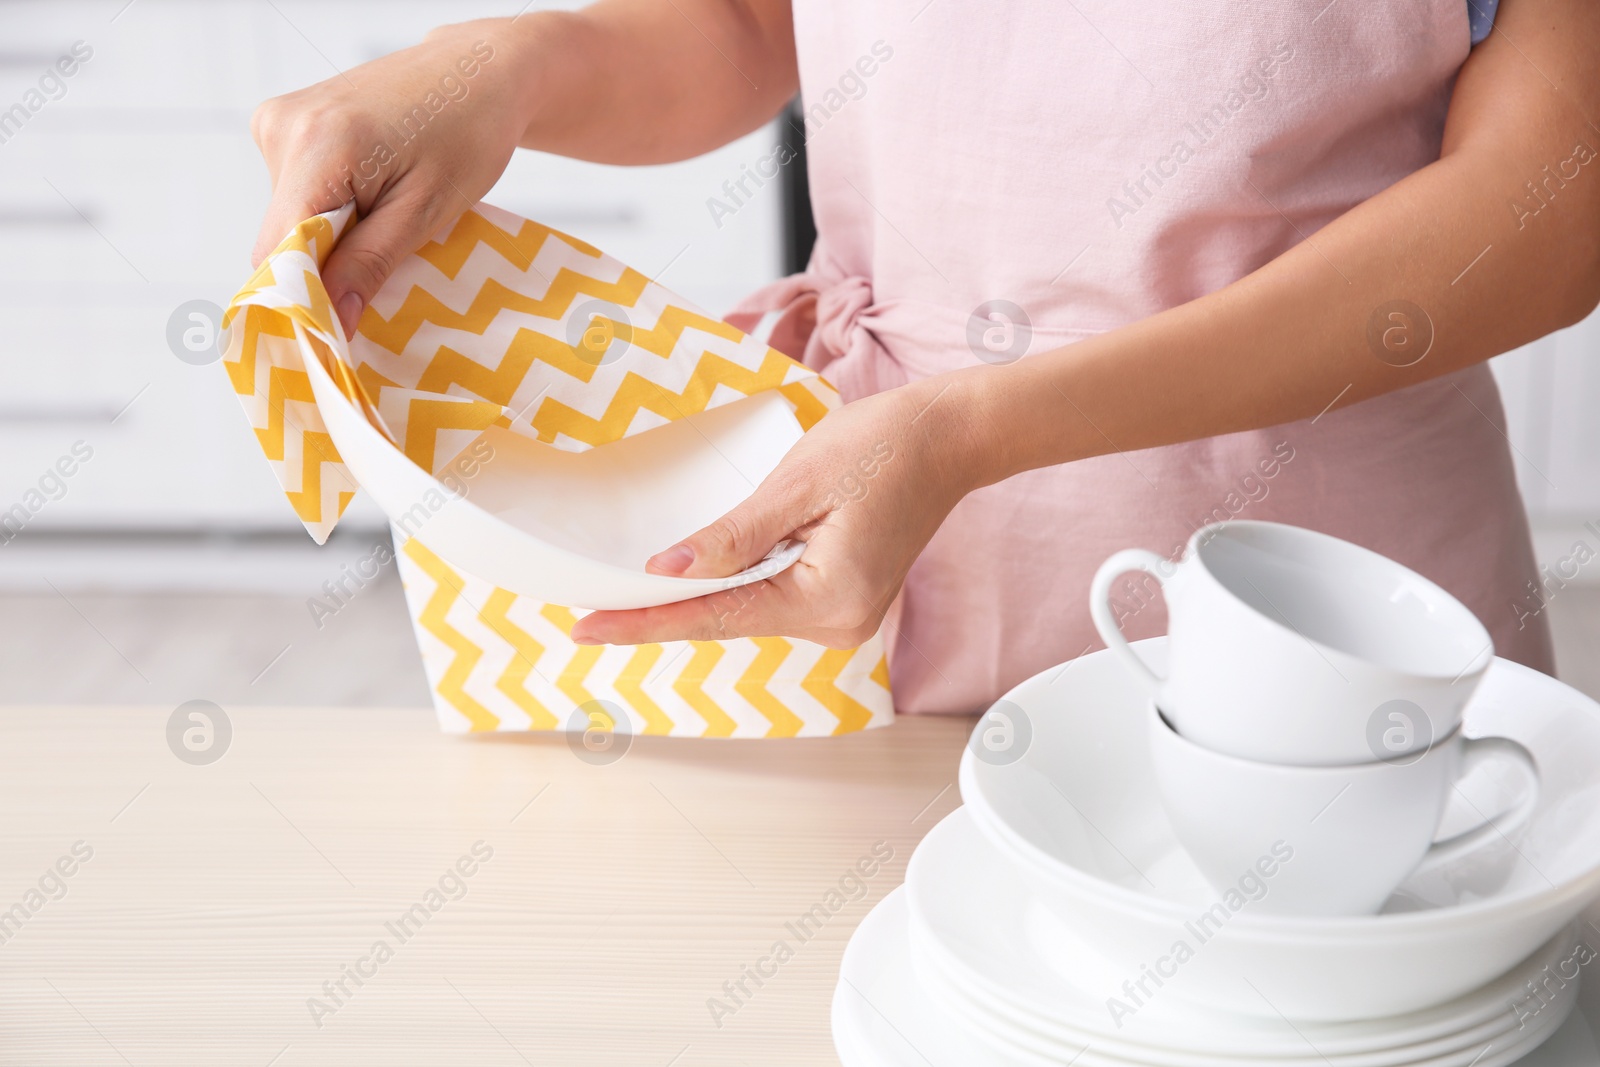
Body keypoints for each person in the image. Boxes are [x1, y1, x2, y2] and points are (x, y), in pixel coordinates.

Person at [251, 0, 1600, 715]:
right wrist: (508, 61)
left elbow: (1553, 203)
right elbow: (741, 18)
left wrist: (973, 433)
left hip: (1323, 603)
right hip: (870, 582)